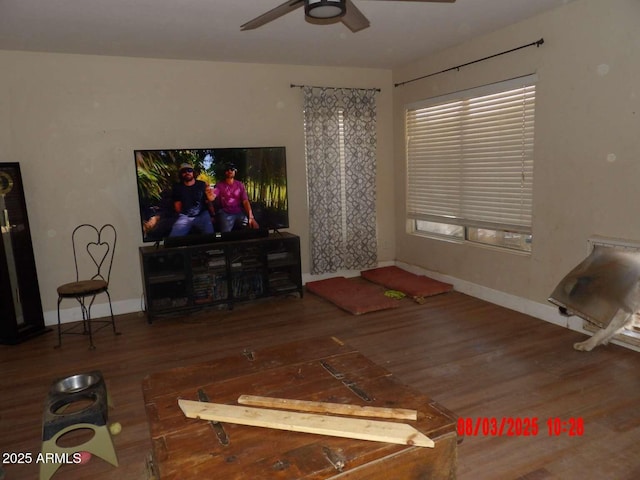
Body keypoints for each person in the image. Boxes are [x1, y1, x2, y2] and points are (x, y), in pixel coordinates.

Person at [168, 163, 215, 237]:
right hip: (185, 216)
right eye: (184, 171)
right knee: (173, 239)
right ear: (181, 174)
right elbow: (177, 206)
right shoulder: (177, 187)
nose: (187, 173)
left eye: (189, 170)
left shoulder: (202, 185)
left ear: (193, 172)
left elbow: (208, 201)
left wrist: (212, 215)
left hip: (202, 215)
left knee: (211, 238)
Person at [212, 163, 260, 232]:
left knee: (254, 226)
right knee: (225, 234)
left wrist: (251, 217)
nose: (230, 171)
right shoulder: (219, 185)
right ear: (225, 172)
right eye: (227, 169)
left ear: (235, 171)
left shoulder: (240, 184)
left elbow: (245, 201)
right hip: (225, 213)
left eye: (232, 169)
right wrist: (210, 195)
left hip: (239, 212)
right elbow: (213, 196)